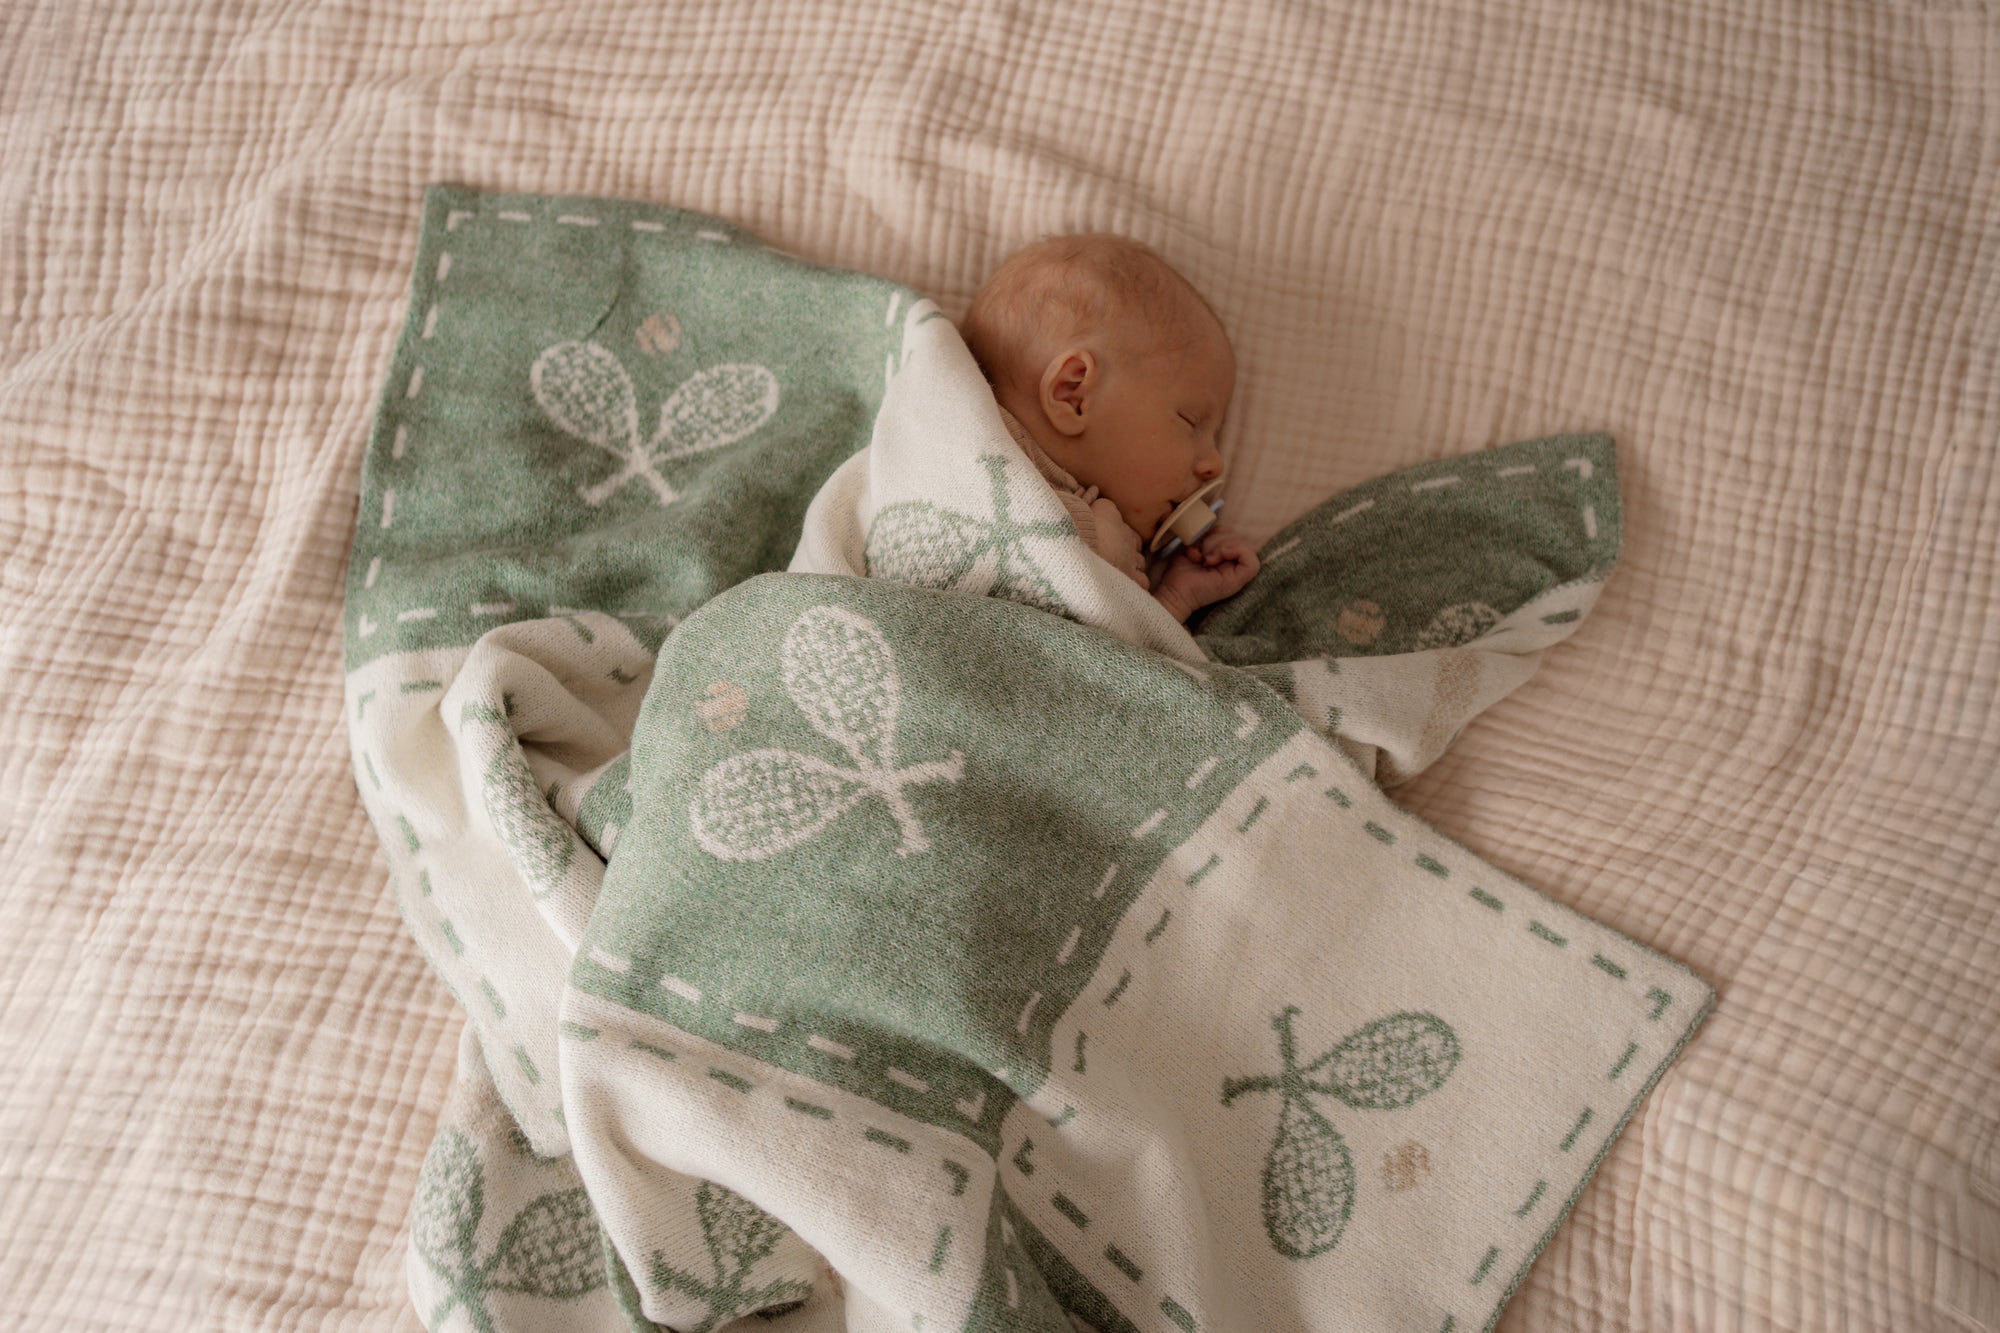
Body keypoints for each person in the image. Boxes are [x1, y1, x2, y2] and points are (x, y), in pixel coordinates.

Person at [959, 234, 1259, 624]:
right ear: (1073, 395)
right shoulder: (965, 446)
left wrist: (1173, 600)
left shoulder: (1114, 539)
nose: (1215, 465)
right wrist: (1092, 543)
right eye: (1190, 422)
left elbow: (1104, 673)